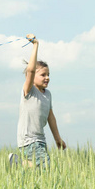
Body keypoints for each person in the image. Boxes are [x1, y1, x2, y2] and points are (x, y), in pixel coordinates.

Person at [9, 34, 66, 168]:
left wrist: (57, 138)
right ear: (33, 76)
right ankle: (18, 163)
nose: (47, 78)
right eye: (43, 75)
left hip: (41, 140)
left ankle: (19, 167)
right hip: (29, 140)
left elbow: (50, 117)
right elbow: (30, 70)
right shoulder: (29, 91)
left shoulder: (48, 95)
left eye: (48, 75)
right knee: (45, 167)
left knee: (39, 172)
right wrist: (35, 45)